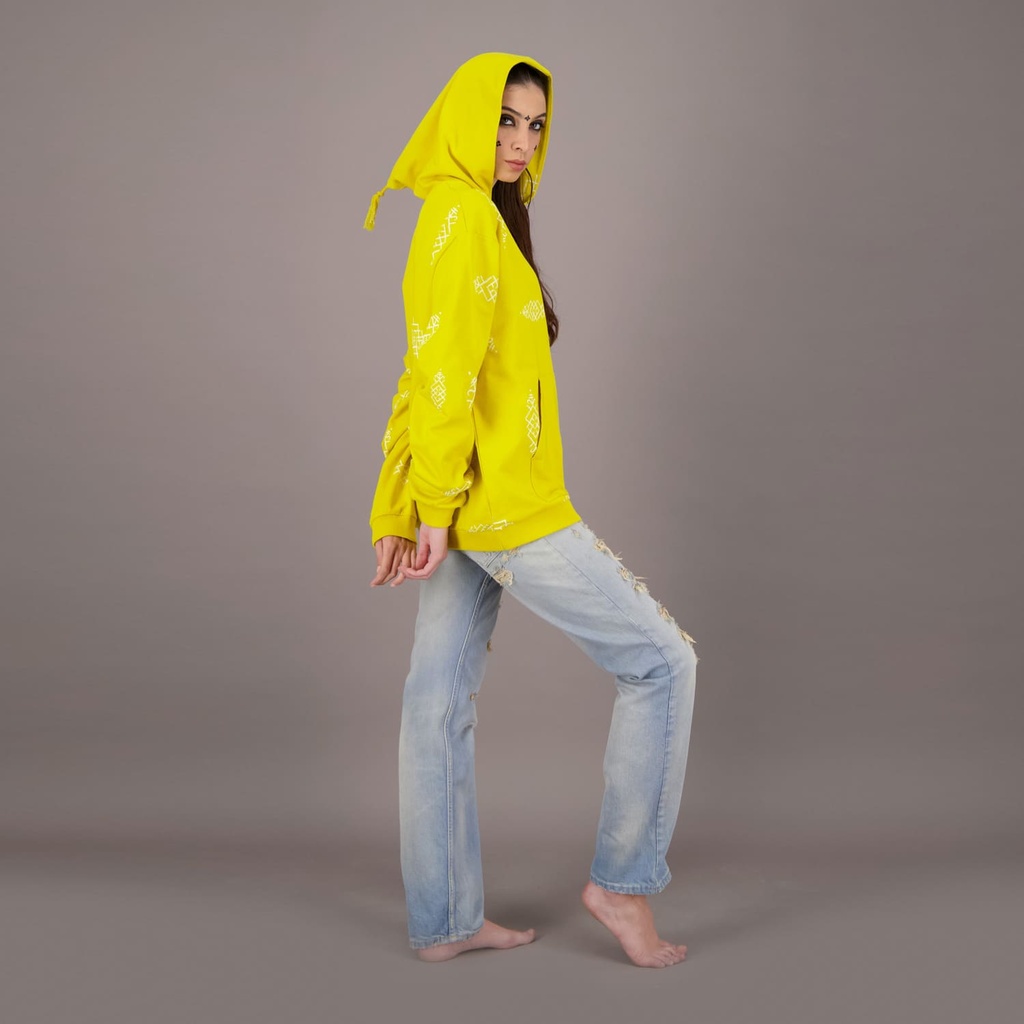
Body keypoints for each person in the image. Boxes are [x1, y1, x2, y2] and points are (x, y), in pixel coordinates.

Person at [364, 52, 698, 968]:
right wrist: (427, 508)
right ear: (467, 119)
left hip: (468, 502)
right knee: (664, 664)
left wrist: (404, 507)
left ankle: (446, 921)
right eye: (505, 120)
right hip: (504, 508)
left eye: (535, 125)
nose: (520, 141)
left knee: (435, 703)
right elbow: (438, 377)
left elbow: (423, 369)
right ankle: (622, 886)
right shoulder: (462, 214)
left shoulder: (475, 214)